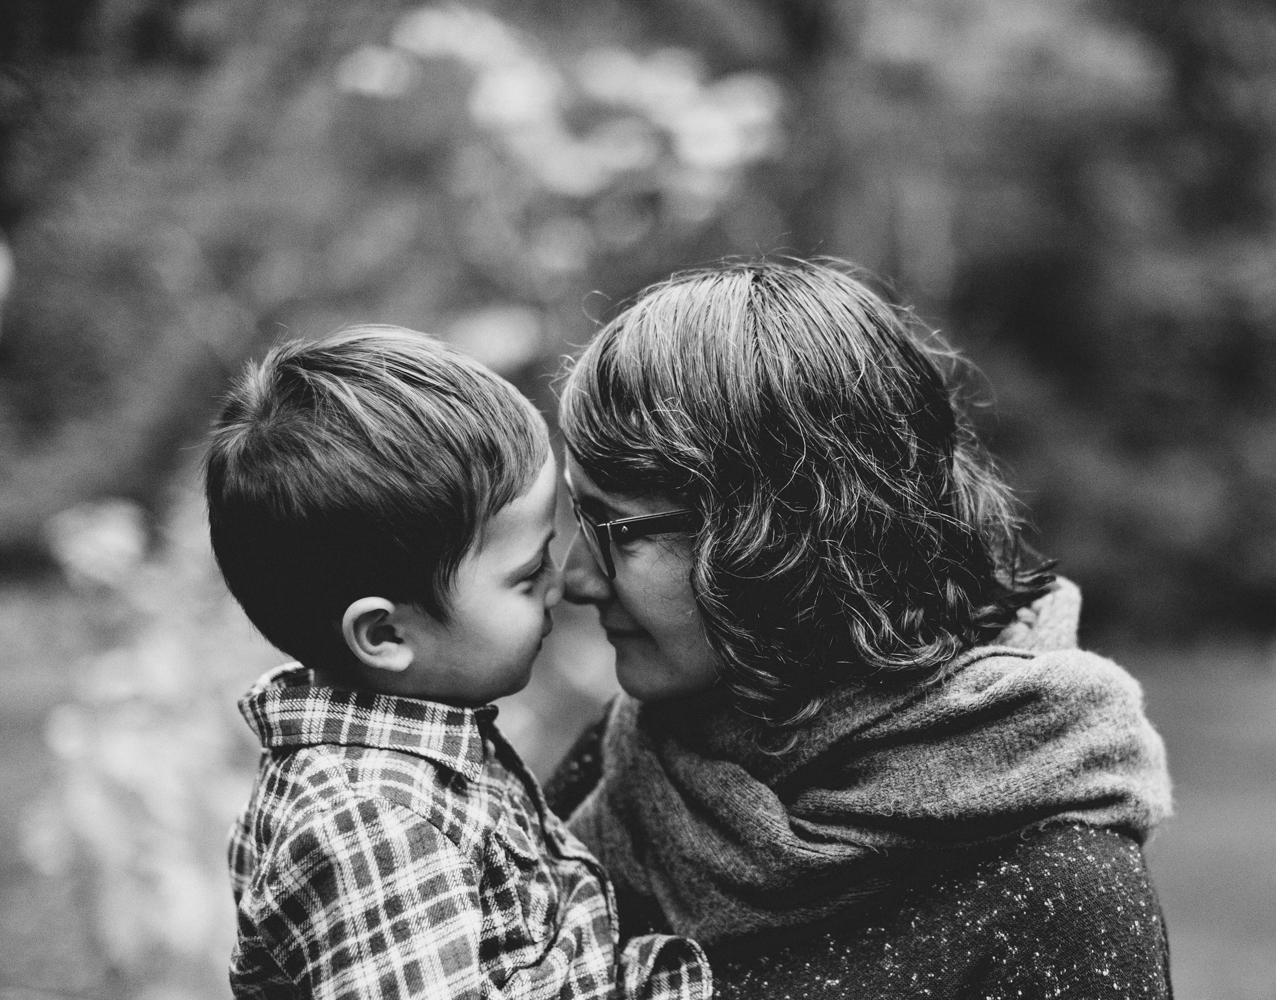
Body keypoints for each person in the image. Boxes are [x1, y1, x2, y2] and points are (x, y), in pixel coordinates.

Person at [545, 260, 1176, 998]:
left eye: (615, 529)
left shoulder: (1057, 900)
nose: (574, 579)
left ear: (777, 538)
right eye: (574, 513)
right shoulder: (630, 754)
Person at [205, 328, 712, 1000]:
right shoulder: (373, 828)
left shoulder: (410, 763)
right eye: (528, 574)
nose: (562, 585)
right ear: (385, 634)